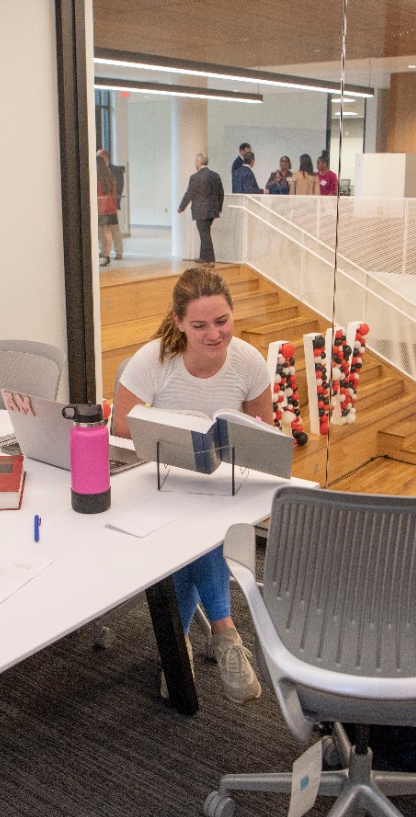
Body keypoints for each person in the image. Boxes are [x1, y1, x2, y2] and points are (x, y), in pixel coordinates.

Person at [112, 268, 271, 704]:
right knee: (191, 533)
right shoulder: (155, 359)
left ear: (232, 315)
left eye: (222, 321)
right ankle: (224, 630)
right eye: (199, 325)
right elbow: (118, 424)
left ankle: (176, 648)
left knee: (199, 532)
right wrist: (175, 432)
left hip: (223, 484)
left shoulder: (249, 362)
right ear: (179, 322)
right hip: (162, 478)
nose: (213, 334)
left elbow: (264, 433)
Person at [178, 153, 224, 265]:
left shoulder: (195, 177)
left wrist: (181, 207)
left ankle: (210, 259)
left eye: (195, 161)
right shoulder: (215, 175)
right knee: (205, 232)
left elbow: (189, 194)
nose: (195, 163)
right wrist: (219, 208)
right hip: (212, 210)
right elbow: (221, 193)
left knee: (204, 234)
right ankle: (203, 257)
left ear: (199, 162)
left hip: (201, 210)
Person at [97, 148, 125, 259]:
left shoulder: (116, 170)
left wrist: (115, 203)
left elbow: (119, 188)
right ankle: (104, 251)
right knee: (102, 230)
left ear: (105, 157)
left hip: (111, 205)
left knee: (114, 230)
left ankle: (118, 252)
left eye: (99, 157)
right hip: (101, 206)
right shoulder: (97, 172)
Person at [95, 153, 119, 267]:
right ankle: (106, 254)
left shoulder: (97, 179)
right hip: (110, 208)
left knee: (102, 232)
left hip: (101, 208)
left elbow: (97, 193)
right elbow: (114, 193)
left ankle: (105, 254)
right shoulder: (110, 177)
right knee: (107, 232)